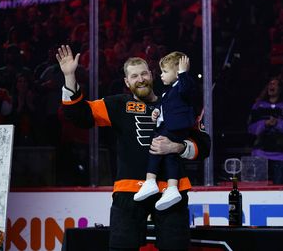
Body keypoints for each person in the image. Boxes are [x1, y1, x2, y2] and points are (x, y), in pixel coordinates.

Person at [56, 45, 210, 251]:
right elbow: (78, 114)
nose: (141, 79)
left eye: (144, 73)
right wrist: (69, 76)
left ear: (152, 75)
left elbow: (204, 146)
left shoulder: (177, 101)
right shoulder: (117, 104)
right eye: (134, 76)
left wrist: (177, 147)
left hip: (171, 192)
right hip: (129, 191)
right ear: (127, 82)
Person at [134, 52, 197, 211]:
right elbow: (164, 106)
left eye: (165, 72)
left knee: (156, 146)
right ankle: (172, 188)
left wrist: (183, 73)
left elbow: (186, 91)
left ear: (177, 72)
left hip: (176, 127)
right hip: (168, 126)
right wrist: (157, 111)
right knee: (169, 155)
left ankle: (150, 181)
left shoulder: (184, 85)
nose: (161, 76)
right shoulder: (167, 92)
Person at [248, 77, 283, 184]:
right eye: (270, 84)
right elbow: (250, 128)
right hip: (260, 154)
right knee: (257, 191)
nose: (271, 86)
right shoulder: (258, 105)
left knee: (280, 193)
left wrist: (278, 124)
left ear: (280, 88)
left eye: (275, 84)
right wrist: (264, 124)